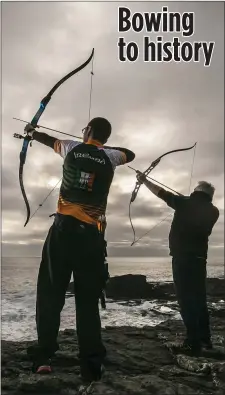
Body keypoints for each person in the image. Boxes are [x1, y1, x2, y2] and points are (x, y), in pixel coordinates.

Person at [25, 117, 135, 381]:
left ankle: (44, 357)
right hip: (91, 239)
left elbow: (48, 140)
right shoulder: (110, 157)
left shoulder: (72, 147)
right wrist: (101, 146)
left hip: (63, 233)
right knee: (87, 301)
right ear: (106, 139)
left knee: (51, 294)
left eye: (85, 129)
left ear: (87, 131)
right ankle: (91, 365)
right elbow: (129, 154)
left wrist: (32, 132)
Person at [136, 172, 219, 356]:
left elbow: (161, 193)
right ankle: (205, 339)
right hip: (200, 260)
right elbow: (194, 205)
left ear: (196, 192)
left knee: (186, 300)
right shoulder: (213, 211)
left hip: (182, 259)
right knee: (199, 299)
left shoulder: (184, 203)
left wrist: (145, 181)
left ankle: (192, 343)